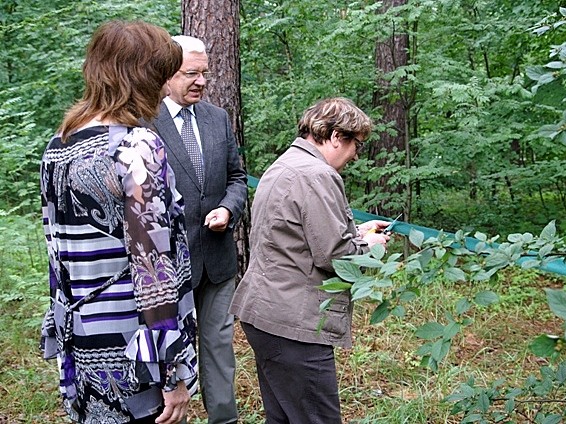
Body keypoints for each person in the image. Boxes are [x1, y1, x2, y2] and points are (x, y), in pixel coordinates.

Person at [40, 21, 198, 424]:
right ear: (142, 77)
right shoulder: (136, 147)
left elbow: (57, 261)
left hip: (83, 344)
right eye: (162, 76)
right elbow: (153, 270)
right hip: (136, 356)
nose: (166, 88)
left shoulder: (58, 145)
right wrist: (171, 373)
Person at [229, 97, 391, 423]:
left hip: (267, 314)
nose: (356, 155)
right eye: (357, 145)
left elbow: (297, 236)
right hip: (295, 325)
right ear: (335, 136)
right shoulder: (318, 175)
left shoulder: (286, 164)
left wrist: (358, 232)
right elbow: (336, 256)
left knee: (284, 418)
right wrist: (371, 247)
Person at [151, 35, 248, 424]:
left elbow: (237, 177)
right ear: (167, 73)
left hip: (217, 262)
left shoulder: (216, 118)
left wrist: (227, 208)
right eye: (192, 73)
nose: (202, 81)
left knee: (219, 348)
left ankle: (224, 419)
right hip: (167, 267)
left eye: (205, 73)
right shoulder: (144, 122)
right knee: (168, 351)